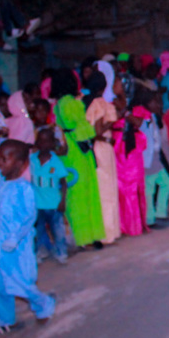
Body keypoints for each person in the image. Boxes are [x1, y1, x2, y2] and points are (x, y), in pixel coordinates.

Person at [0, 139, 56, 333]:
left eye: (5, 159)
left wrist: (14, 237)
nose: (0, 163)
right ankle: (4, 321)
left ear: (19, 164)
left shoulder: (23, 188)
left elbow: (28, 217)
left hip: (15, 247)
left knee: (20, 283)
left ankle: (44, 304)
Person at [51, 68, 105, 249]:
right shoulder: (70, 103)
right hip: (79, 149)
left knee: (77, 195)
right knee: (86, 193)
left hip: (71, 151)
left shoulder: (58, 104)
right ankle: (87, 237)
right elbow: (80, 126)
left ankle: (85, 236)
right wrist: (89, 136)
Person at [85, 70, 122, 244]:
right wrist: (113, 121)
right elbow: (98, 131)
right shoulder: (101, 105)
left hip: (103, 147)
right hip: (103, 145)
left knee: (105, 188)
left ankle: (108, 231)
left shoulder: (91, 103)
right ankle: (109, 232)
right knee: (107, 189)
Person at [30, 128, 72, 264]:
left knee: (58, 231)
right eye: (41, 141)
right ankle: (39, 252)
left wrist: (62, 202)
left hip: (54, 204)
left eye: (47, 141)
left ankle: (61, 253)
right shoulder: (32, 160)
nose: (44, 145)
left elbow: (63, 183)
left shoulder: (56, 162)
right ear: (37, 143)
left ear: (52, 144)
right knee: (38, 231)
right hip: (37, 204)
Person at [139, 91, 169, 229]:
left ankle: (157, 215)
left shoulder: (152, 116)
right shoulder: (144, 117)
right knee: (153, 187)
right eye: (156, 102)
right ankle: (152, 217)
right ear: (147, 103)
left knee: (161, 184)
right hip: (148, 157)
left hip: (153, 156)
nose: (159, 104)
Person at [115, 107, 149, 237]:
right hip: (119, 149)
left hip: (133, 150)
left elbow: (139, 122)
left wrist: (126, 113)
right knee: (122, 189)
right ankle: (125, 225)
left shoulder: (136, 107)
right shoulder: (111, 104)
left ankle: (137, 224)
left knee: (136, 188)